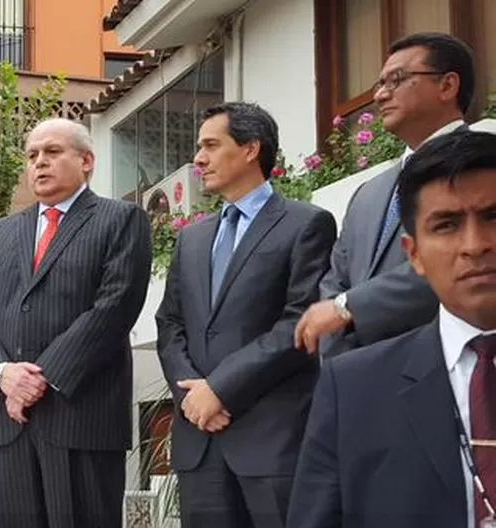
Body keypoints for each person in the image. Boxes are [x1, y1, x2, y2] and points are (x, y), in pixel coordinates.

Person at [288, 129, 496, 528]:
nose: (475, 244)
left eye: (494, 216)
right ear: (414, 255)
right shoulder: (353, 389)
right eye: (447, 225)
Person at [0, 118, 153, 528]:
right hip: (12, 423)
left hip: (81, 416)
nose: (40, 163)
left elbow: (114, 306)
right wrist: (3, 374)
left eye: (52, 152)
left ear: (87, 161)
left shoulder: (121, 220)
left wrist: (39, 378)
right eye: (32, 156)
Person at [155, 102, 337, 528]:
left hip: (272, 442)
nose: (198, 158)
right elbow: (170, 325)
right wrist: (193, 399)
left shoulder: (306, 224)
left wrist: (220, 389)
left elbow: (299, 323)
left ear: (252, 149)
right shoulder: (192, 239)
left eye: (211, 146)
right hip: (200, 440)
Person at [295, 32, 476, 358]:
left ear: (447, 86)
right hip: (364, 380)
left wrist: (349, 308)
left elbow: (459, 263)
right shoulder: (368, 194)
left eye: (397, 80)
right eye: (379, 84)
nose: (380, 95)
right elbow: (335, 282)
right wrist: (344, 357)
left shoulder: (482, 169)